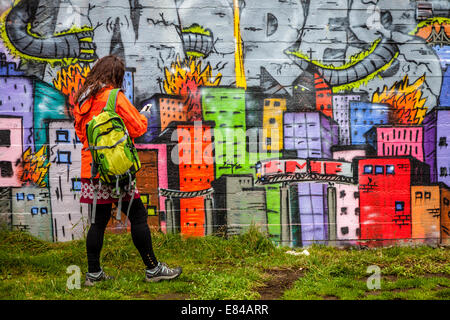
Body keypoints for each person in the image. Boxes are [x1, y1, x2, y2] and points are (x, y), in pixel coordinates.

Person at [73, 55, 182, 286]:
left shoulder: (83, 99)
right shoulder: (115, 96)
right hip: (116, 172)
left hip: (91, 171)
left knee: (97, 223)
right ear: (116, 76)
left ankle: (93, 274)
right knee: (139, 217)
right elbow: (138, 127)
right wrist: (142, 116)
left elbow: (81, 134)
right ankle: (153, 269)